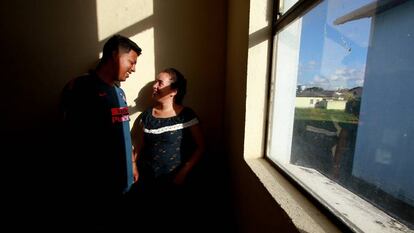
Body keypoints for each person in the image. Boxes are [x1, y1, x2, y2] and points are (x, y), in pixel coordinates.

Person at [60, 34, 142, 231]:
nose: (134, 68)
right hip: (96, 188)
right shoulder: (80, 88)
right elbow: (72, 142)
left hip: (124, 182)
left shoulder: (118, 92)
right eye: (131, 62)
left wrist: (132, 163)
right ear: (114, 55)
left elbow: (122, 128)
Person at [129, 68, 205, 231]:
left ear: (173, 91)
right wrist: (133, 165)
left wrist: (184, 172)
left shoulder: (186, 115)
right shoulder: (147, 116)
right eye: (155, 82)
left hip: (177, 180)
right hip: (148, 181)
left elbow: (200, 147)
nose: (155, 86)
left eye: (160, 83)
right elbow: (139, 145)